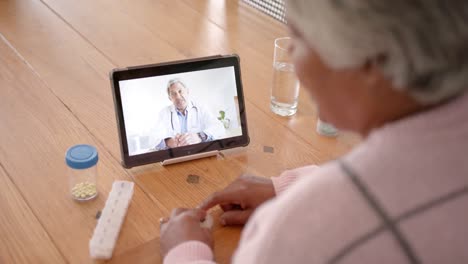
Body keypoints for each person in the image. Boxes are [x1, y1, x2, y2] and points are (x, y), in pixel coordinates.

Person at [160, 0, 468, 263]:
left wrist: (185, 250)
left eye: (299, 37)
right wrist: (294, 185)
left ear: (374, 59)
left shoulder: (299, 234)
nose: (291, 55)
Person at [153, 78, 225, 149]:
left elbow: (219, 128)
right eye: (173, 94)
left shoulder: (201, 108)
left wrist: (199, 136)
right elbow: (153, 137)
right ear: (170, 98)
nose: (178, 96)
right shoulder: (164, 113)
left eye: (180, 91)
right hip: (176, 155)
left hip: (200, 151)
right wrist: (168, 141)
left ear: (187, 91)